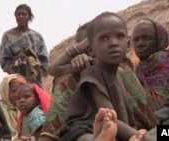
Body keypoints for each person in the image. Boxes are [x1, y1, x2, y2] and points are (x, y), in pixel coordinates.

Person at [58, 12, 154, 141]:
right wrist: (145, 138)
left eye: (120, 36)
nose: (113, 43)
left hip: (115, 129)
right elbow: (110, 117)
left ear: (128, 44)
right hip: (82, 131)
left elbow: (122, 116)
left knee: (165, 132)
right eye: (104, 38)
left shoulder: (121, 73)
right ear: (91, 50)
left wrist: (140, 135)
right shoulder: (92, 73)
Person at [132, 18, 169, 113]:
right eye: (136, 39)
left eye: (147, 38)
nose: (140, 44)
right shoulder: (138, 70)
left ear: (159, 40)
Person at [0, 4, 49, 86]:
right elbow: (3, 60)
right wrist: (18, 78)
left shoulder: (37, 36)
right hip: (15, 80)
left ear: (29, 17)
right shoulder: (8, 35)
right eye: (18, 14)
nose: (21, 16)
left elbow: (44, 59)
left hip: (35, 80)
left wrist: (33, 76)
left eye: (24, 14)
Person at [0, 73, 27, 139]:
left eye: (20, 90)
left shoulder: (27, 107)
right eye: (13, 91)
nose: (17, 94)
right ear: (5, 91)